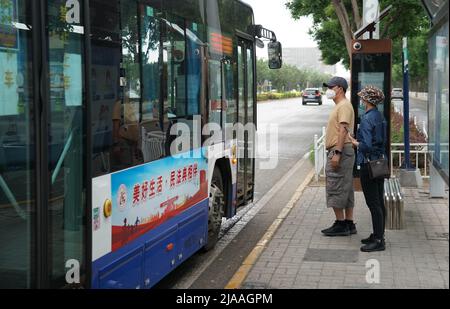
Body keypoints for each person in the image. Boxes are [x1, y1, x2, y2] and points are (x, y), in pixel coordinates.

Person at [349, 85, 387, 252]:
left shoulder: (366, 119)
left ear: (367, 101)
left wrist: (354, 142)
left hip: (368, 165)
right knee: (379, 201)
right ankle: (378, 235)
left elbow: (366, 146)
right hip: (380, 163)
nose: (361, 101)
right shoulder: (379, 116)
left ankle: (378, 240)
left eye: (363, 98)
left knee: (373, 203)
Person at [321, 77, 356, 237]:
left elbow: (343, 130)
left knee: (335, 185)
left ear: (340, 89)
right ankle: (349, 223)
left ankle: (340, 223)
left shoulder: (343, 106)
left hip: (340, 151)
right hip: (344, 151)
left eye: (330, 87)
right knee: (346, 188)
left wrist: (337, 153)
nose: (328, 90)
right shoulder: (342, 106)